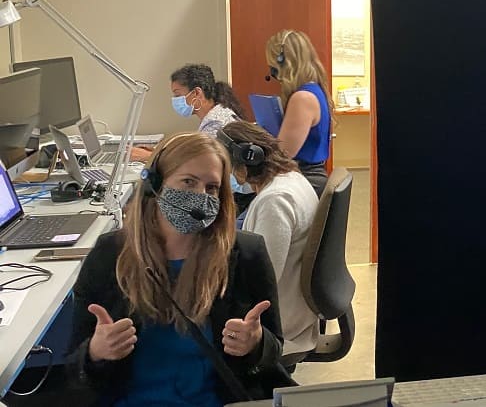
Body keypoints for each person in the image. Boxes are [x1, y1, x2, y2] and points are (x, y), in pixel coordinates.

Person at [67, 132, 285, 406]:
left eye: (212, 188)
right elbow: (73, 366)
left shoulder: (247, 254)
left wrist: (256, 344)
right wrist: (95, 353)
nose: (200, 196)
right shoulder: (110, 254)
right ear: (155, 184)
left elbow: (273, 351)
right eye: (188, 182)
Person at [218, 121, 320, 357]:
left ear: (247, 160)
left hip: (276, 324)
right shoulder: (290, 178)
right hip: (290, 309)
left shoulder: (275, 201)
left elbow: (261, 279)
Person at [264, 29, 333, 196]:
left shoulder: (302, 98)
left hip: (305, 179)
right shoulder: (313, 90)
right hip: (306, 177)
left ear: (282, 62)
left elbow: (284, 153)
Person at [171, 64, 245, 137]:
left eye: (178, 95)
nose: (175, 100)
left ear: (197, 93)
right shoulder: (217, 113)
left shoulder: (215, 125)